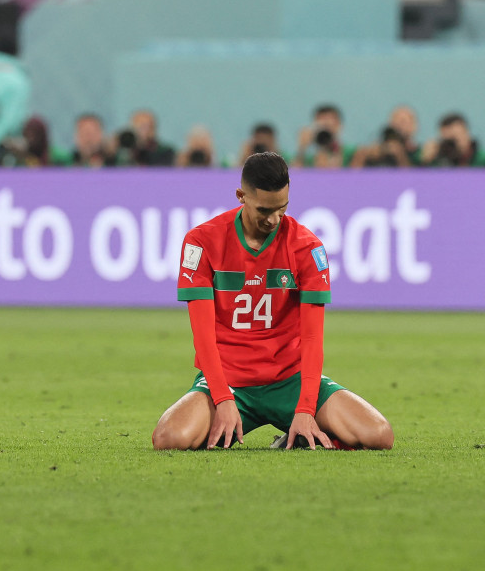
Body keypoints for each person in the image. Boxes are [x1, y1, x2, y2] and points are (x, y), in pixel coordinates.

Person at [151, 152, 393, 452]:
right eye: (264, 210)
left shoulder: (307, 247)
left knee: (379, 435)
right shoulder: (202, 242)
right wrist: (223, 399)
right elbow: (202, 338)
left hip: (289, 382)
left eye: (282, 208)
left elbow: (312, 338)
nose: (273, 219)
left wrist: (305, 409)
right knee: (168, 439)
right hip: (228, 382)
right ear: (241, 196)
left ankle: (302, 437)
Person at [420, 113, 485, 168]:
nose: (453, 144)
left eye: (456, 137)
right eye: (448, 141)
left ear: (466, 132)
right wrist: (426, 162)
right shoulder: (440, 163)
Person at [294, 104, 354, 169]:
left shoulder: (352, 153)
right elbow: (293, 173)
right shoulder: (309, 158)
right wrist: (302, 148)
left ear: (339, 126)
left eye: (330, 126)